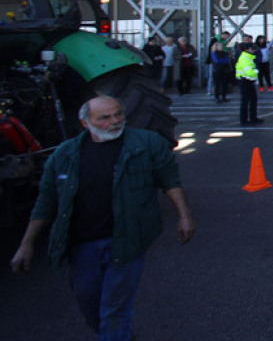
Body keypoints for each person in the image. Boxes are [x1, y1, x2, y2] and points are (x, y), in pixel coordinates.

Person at [8, 96, 195, 340]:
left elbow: (170, 180)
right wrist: (26, 243)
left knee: (115, 310)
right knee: (90, 305)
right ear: (86, 123)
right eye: (104, 118)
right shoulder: (65, 155)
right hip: (82, 246)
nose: (115, 121)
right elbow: (47, 202)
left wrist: (185, 215)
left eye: (118, 114)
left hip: (127, 241)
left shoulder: (147, 145)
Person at [235, 43, 262, 125]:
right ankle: (244, 120)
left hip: (248, 81)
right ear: (246, 49)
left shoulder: (248, 58)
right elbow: (249, 72)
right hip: (245, 81)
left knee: (253, 99)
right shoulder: (244, 58)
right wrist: (256, 72)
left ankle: (253, 118)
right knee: (245, 101)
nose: (253, 50)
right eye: (252, 49)